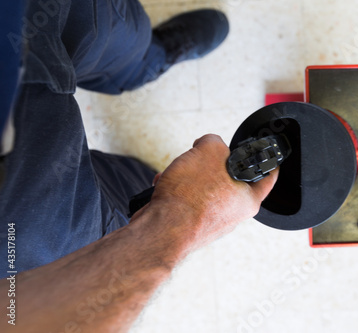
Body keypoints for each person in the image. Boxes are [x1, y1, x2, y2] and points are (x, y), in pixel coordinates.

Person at [0, 0, 278, 331]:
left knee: (103, 28)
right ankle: (139, 193)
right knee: (128, 208)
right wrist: (179, 216)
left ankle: (146, 60)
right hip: (20, 230)